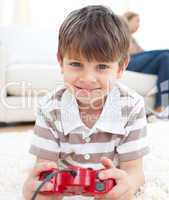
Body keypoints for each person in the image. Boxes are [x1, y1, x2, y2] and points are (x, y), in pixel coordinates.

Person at [23, 5, 149, 200]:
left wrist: (129, 184)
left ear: (121, 68)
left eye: (102, 66)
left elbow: (134, 171)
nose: (88, 79)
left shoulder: (132, 106)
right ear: (61, 62)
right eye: (76, 64)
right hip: (66, 180)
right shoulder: (49, 107)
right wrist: (39, 187)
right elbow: (44, 167)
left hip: (107, 181)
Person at [123, 11, 169, 117]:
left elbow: (145, 55)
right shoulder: (122, 34)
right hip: (129, 62)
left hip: (140, 64)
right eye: (137, 21)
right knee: (166, 53)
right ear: (127, 21)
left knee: (165, 58)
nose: (139, 25)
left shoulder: (134, 40)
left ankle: (161, 105)